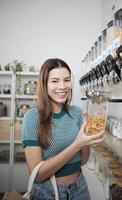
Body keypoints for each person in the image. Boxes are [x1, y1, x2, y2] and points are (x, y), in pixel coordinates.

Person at [22, 58, 105, 200]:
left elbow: (82, 161)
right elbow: (37, 174)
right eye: (55, 81)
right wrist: (77, 144)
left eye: (67, 80)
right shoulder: (32, 118)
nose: (62, 86)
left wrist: (88, 138)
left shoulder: (77, 113)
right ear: (44, 84)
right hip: (48, 192)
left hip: (80, 189)